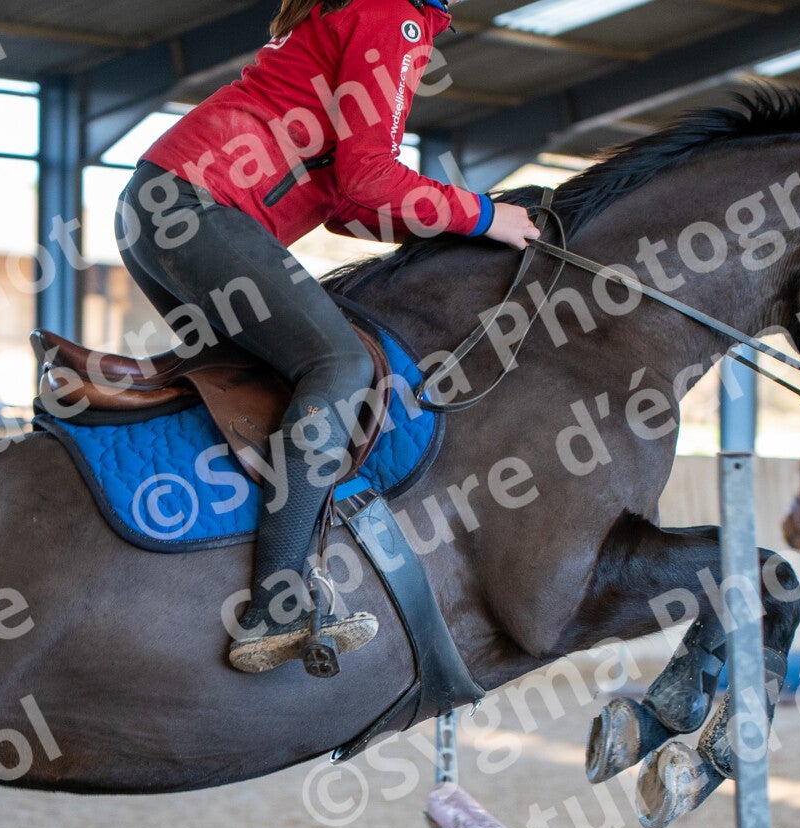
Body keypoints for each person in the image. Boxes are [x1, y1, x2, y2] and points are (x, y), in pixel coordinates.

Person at [117, 0, 541, 676]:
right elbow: (371, 177)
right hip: (199, 205)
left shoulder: (385, 14)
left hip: (161, 203)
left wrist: (456, 231)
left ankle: (227, 569)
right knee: (338, 363)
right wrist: (484, 215)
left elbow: (349, 205)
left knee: (266, 387)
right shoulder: (394, 15)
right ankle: (277, 601)